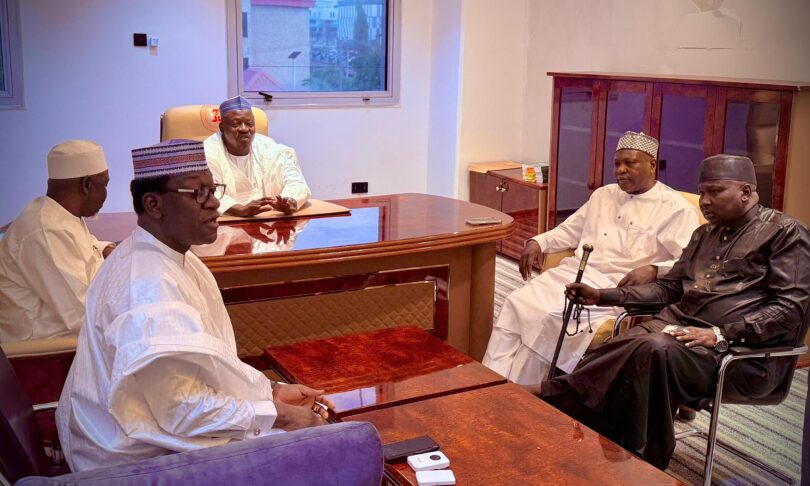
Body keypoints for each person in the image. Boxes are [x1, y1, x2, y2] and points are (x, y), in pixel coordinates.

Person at [56, 140, 332, 471]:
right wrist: (280, 415)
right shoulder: (147, 286)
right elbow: (181, 411)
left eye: (213, 190)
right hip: (131, 459)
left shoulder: (173, 256)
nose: (214, 202)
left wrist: (271, 391)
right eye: (198, 193)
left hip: (162, 429)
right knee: (326, 448)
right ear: (154, 204)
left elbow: (207, 369)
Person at [540, 154, 810, 470]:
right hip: (677, 335)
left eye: (715, 191)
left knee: (651, 351)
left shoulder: (785, 233)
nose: (704, 201)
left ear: (746, 192)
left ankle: (633, 455)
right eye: (702, 192)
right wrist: (602, 296)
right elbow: (668, 289)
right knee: (615, 351)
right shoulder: (704, 235)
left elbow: (790, 309)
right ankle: (609, 455)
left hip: (740, 355)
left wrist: (720, 333)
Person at [482, 132, 700, 384]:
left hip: (613, 290)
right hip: (574, 275)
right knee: (516, 302)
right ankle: (490, 383)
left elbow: (688, 263)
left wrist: (654, 269)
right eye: (617, 164)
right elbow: (569, 230)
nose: (620, 170)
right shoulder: (603, 195)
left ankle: (523, 394)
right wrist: (538, 242)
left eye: (630, 163)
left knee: (549, 319)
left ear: (652, 165)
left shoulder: (675, 208)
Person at [0, 140, 113, 342]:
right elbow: (83, 315)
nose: (106, 194)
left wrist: (106, 249)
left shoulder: (57, 213)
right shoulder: (46, 230)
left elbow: (83, 244)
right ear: (86, 185)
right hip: (45, 349)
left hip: (69, 331)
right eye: (104, 185)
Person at [204, 96, 310, 217]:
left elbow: (296, 181)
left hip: (269, 219)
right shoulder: (207, 152)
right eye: (235, 124)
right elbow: (205, 191)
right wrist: (240, 209)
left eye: (249, 124)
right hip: (227, 219)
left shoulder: (270, 148)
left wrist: (289, 200)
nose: (244, 129)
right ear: (222, 127)